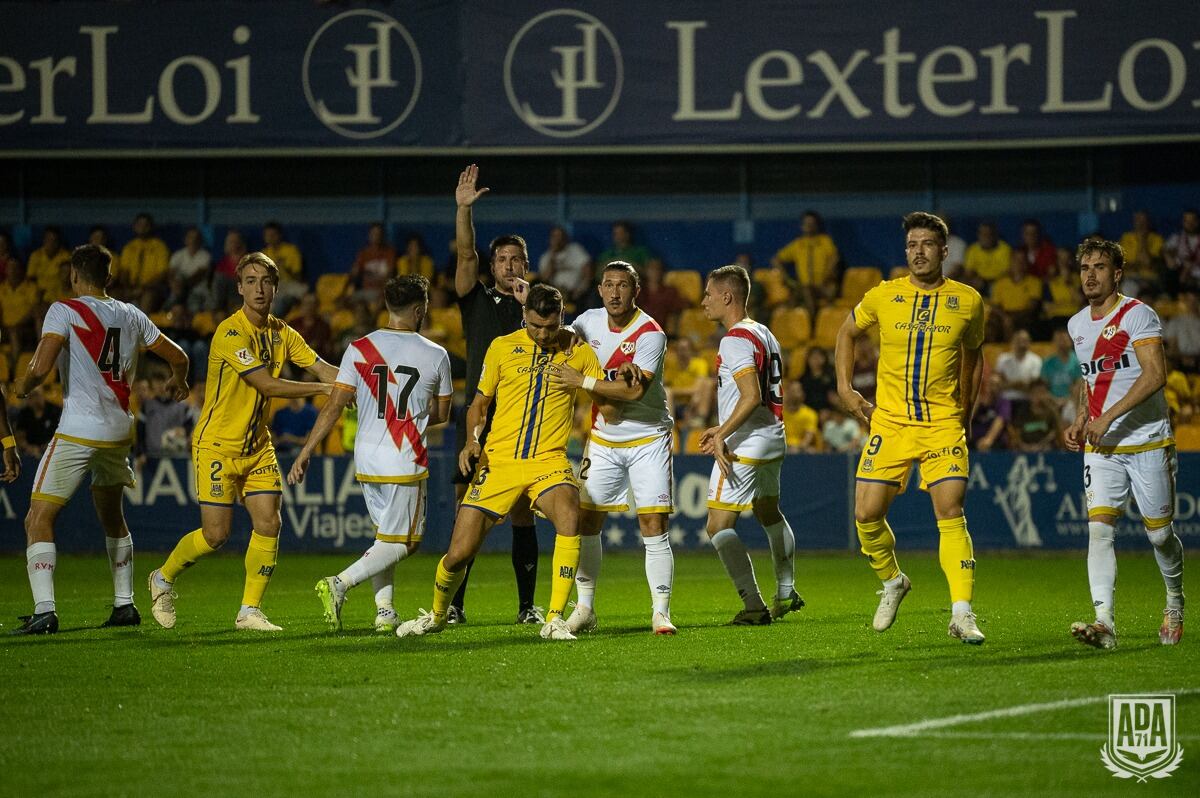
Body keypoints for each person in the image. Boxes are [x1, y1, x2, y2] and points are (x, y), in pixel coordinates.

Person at [395, 283, 604, 642]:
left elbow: (605, 398)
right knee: (459, 553)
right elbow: (479, 403)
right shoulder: (502, 347)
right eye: (536, 326)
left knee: (571, 516)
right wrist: (472, 441)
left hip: (547, 461)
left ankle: (554, 619)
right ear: (524, 316)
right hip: (499, 460)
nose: (542, 334)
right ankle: (437, 614)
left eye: (550, 328)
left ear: (562, 318)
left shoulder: (579, 353)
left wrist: (622, 378)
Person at [147, 252, 337, 632]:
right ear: (239, 288)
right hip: (217, 443)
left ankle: (249, 610)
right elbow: (266, 383)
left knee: (270, 522)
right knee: (216, 535)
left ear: (276, 287)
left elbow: (324, 367)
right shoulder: (230, 332)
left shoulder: (283, 332)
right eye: (250, 281)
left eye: (266, 281)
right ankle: (163, 578)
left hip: (257, 446)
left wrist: (359, 379)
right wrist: (325, 388)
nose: (259, 288)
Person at [11, 244, 190, 634]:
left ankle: (45, 610)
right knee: (112, 516)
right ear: (109, 278)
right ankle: (124, 605)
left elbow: (40, 367)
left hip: (79, 428)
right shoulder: (132, 314)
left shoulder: (64, 310)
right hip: (119, 431)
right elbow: (178, 356)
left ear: (74, 275)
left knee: (37, 518)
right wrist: (180, 379)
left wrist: (21, 386)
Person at [835, 212, 986, 644]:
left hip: (941, 422)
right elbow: (846, 333)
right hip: (891, 421)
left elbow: (974, 357)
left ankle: (962, 613)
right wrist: (846, 390)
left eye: (926, 244)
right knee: (866, 513)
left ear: (944, 251)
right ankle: (893, 580)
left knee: (951, 510)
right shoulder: (884, 295)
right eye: (911, 245)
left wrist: (966, 413)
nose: (917, 252)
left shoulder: (969, 301)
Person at [289, 275, 452, 634]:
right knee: (406, 542)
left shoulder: (358, 348)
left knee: (385, 538)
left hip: (366, 457)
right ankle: (340, 583)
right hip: (404, 457)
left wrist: (307, 449)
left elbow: (334, 405)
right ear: (419, 308)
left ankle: (385, 611)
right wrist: (410, 413)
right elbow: (442, 414)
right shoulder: (436, 354)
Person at [1065, 238, 1184, 649]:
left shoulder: (1138, 315)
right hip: (1102, 448)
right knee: (1099, 531)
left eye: (1099, 267)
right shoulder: (1077, 324)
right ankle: (1104, 623)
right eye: (1084, 267)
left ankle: (1174, 600)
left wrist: (1107, 417)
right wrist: (1083, 416)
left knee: (1159, 536)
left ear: (1117, 273)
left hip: (1148, 440)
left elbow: (1155, 375)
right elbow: (1090, 378)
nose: (1090, 275)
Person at [549, 261, 677, 635]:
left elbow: (633, 392)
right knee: (587, 523)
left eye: (623, 285)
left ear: (635, 290)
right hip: (603, 439)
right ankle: (585, 608)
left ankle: (661, 612)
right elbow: (558, 336)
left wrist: (583, 380)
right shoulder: (587, 322)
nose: (615, 292)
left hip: (648, 437)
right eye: (608, 285)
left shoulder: (651, 333)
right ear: (600, 290)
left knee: (653, 524)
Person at [448, 164, 541, 625]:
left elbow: (558, 344)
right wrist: (464, 211)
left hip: (523, 426)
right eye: (502, 259)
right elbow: (465, 258)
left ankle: (527, 607)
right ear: (492, 266)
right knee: (468, 514)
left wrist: (530, 305)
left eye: (516, 260)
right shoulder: (477, 298)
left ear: (527, 265)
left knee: (523, 514)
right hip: (480, 420)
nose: (508, 266)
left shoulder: (541, 307)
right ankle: (454, 606)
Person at [698, 264, 801, 625]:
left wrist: (721, 433)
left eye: (709, 294)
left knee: (717, 526)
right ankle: (786, 590)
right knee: (768, 512)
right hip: (773, 437)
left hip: (748, 444)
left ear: (727, 296)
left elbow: (751, 395)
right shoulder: (763, 333)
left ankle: (754, 605)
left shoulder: (734, 339)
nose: (703, 301)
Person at [771, 210, 839, 313]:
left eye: (812, 223)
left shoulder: (825, 241)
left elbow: (835, 257)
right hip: (803, 288)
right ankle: (809, 322)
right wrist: (786, 278)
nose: (809, 226)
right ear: (802, 226)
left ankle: (815, 324)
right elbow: (776, 259)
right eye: (806, 223)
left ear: (817, 225)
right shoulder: (798, 244)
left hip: (823, 286)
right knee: (802, 293)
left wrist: (828, 275)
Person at [118, 213, 170, 311]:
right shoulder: (129, 247)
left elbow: (162, 274)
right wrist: (127, 289)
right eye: (139, 224)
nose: (142, 227)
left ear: (151, 227)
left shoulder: (160, 247)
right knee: (115, 297)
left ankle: (142, 326)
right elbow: (124, 272)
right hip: (131, 287)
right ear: (134, 227)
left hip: (152, 288)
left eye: (146, 225)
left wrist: (142, 288)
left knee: (148, 296)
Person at [537, 225, 592, 303]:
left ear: (566, 238)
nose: (558, 239)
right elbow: (543, 280)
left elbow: (588, 272)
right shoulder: (546, 257)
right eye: (554, 236)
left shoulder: (575, 249)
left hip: (576, 293)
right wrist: (553, 255)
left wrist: (580, 290)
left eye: (560, 236)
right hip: (553, 295)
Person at [348, 223, 398, 309]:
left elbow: (390, 275)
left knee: (382, 300)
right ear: (369, 236)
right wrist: (354, 273)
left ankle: (371, 321)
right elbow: (354, 273)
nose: (376, 237)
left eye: (378, 234)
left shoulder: (389, 253)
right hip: (365, 292)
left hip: (379, 292)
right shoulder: (364, 253)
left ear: (382, 236)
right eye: (374, 234)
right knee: (346, 302)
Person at [262, 222, 305, 315]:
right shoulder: (264, 254)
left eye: (273, 235)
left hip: (290, 285)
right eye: (268, 235)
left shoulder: (291, 250)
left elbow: (299, 278)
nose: (270, 238)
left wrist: (284, 267)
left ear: (279, 235)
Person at [14, 385, 61, 457]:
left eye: (36, 395)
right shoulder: (24, 413)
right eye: (31, 396)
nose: (35, 399)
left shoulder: (55, 410)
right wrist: (29, 448)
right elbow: (19, 436)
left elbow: (60, 434)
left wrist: (45, 448)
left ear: (42, 394)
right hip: (29, 453)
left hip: (51, 451)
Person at [962, 221, 1011, 289]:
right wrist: (975, 279)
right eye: (983, 234)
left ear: (995, 235)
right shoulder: (973, 249)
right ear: (978, 235)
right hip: (980, 282)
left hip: (999, 282)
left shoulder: (1005, 249)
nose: (986, 237)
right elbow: (968, 272)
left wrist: (994, 283)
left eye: (989, 234)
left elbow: (1007, 272)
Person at [1163, 208, 1200, 295]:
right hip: (1181, 276)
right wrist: (1169, 258)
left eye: (1193, 221)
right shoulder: (1177, 238)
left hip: (1197, 274)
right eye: (1187, 221)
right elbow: (1165, 250)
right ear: (1183, 222)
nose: (1190, 224)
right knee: (1170, 274)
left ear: (1198, 222)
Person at [782, 381, 820, 453]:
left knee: (812, 451)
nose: (793, 394)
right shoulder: (777, 413)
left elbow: (807, 439)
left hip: (799, 449)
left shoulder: (810, 414)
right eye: (791, 391)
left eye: (797, 391)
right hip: (780, 448)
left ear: (803, 395)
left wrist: (796, 448)